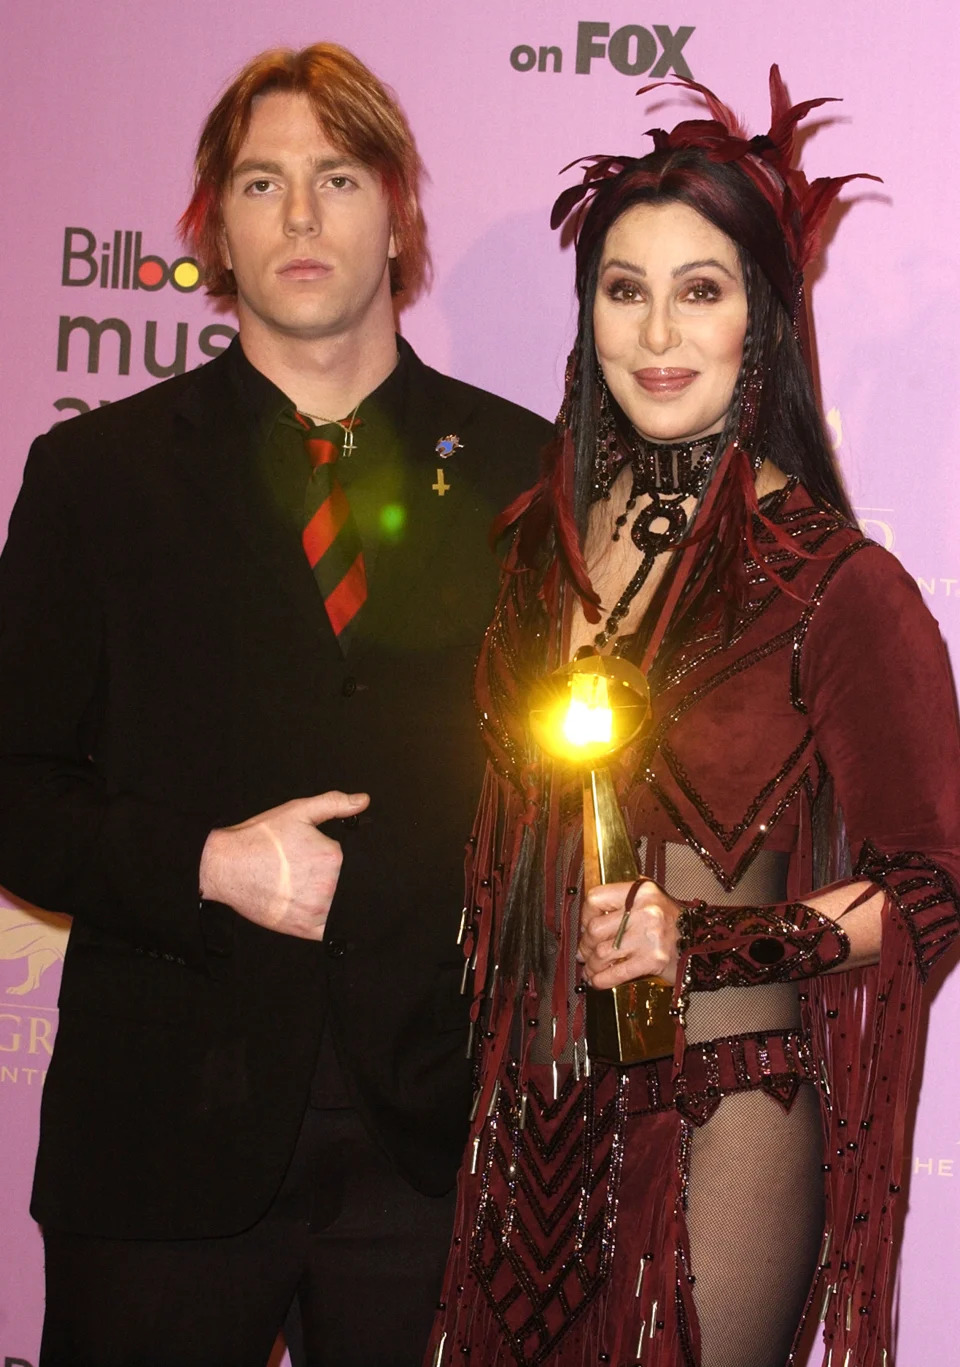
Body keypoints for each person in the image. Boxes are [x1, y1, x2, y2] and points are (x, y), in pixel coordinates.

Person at [0, 43, 551, 1367]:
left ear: (400, 214)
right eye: (261, 182)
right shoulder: (95, 475)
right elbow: (11, 790)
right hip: (159, 1158)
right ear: (214, 232)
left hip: (436, 1153)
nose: (300, 215)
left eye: (338, 177)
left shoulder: (526, 475)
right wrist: (207, 861)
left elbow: (569, 784)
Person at [426, 68, 960, 1367]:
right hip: (527, 1127)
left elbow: (934, 885)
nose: (658, 329)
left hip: (724, 1124)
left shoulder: (841, 583)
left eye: (701, 288)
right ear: (589, 315)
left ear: (758, 321)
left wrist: (706, 941)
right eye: (625, 287)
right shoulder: (536, 554)